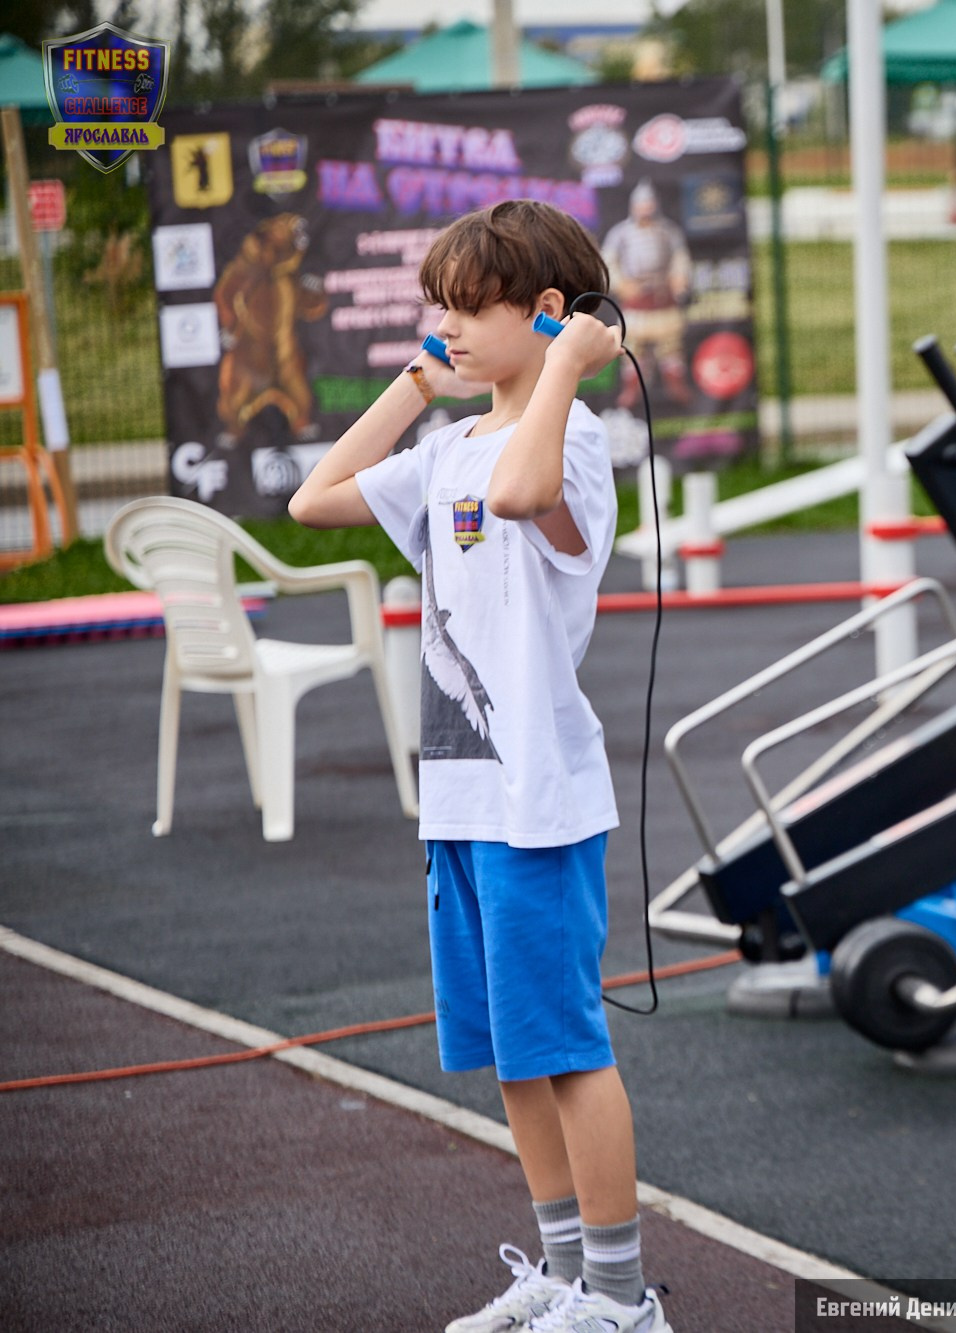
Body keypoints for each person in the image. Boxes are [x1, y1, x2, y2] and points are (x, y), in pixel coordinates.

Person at [289, 200, 668, 1333]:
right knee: (511, 1054)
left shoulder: (572, 441)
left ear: (547, 313)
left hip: (536, 803)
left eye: (466, 307)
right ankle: (559, 1273)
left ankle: (620, 1296)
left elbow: (520, 494)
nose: (445, 325)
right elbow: (315, 499)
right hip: (460, 800)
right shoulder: (447, 444)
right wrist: (416, 383)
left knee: (565, 1044)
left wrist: (564, 367)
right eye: (436, 306)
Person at [600, 181, 693, 408]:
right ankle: (632, 388)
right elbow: (608, 263)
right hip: (635, 299)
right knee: (633, 346)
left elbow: (680, 259)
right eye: (642, 204)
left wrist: (678, 280)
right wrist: (622, 285)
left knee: (670, 346)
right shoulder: (621, 233)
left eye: (649, 204)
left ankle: (675, 385)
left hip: (662, 298)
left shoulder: (668, 231)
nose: (645, 209)